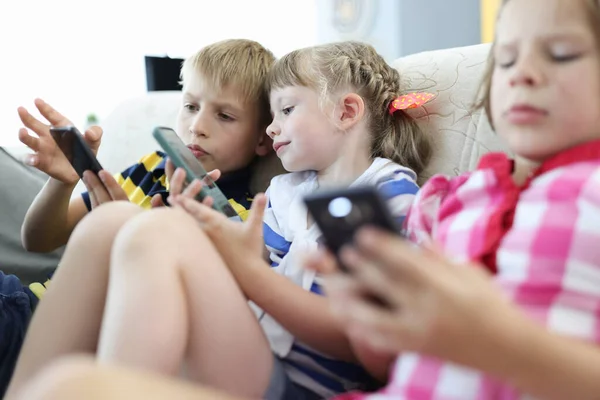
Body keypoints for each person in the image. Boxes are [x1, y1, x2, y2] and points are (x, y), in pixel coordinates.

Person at [12, 41, 432, 400]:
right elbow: (254, 271)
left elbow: (366, 340)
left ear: (346, 112)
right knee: (114, 221)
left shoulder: (385, 192)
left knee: (155, 232)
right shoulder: (286, 193)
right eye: (271, 114)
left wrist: (245, 268)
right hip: (252, 346)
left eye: (286, 110)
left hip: (299, 381)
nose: (272, 129)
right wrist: (224, 246)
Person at [305, 0, 600, 399]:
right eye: (507, 60)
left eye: (562, 54)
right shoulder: (445, 200)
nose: (522, 75)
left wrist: (500, 343)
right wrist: (370, 321)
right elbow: (393, 364)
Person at [4, 38, 276, 399]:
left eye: (224, 116)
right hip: (32, 301)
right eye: (190, 106)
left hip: (71, 343)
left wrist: (127, 229)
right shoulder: (149, 170)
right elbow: (36, 240)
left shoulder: (241, 219)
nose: (197, 126)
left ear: (262, 138)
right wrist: (62, 182)